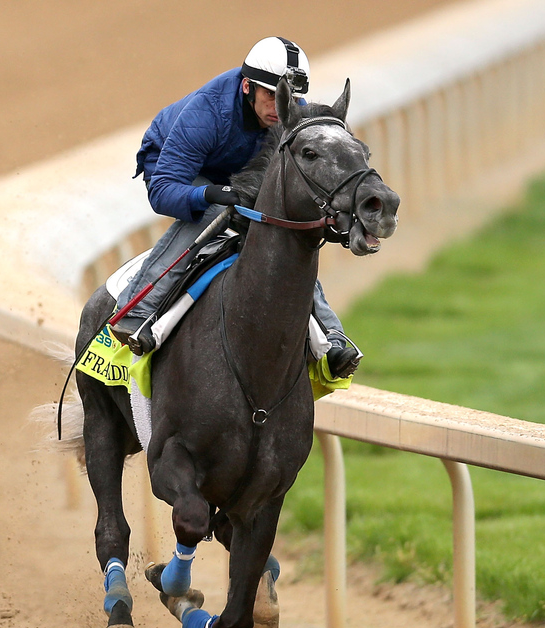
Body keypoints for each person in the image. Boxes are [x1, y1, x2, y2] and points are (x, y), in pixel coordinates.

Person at [112, 36, 361, 378]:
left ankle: (331, 339)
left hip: (237, 168)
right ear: (247, 87)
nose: (279, 106)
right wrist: (207, 194)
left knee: (282, 227)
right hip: (178, 169)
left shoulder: (288, 113)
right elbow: (163, 192)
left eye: (287, 97)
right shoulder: (206, 114)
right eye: (270, 96)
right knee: (218, 214)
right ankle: (137, 311)